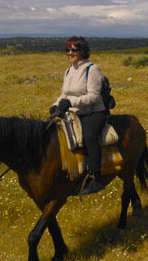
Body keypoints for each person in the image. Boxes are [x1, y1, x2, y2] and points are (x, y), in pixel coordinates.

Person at [50, 36, 107, 195]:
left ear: (82, 51)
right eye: (67, 49)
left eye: (73, 50)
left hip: (94, 112)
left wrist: (71, 102)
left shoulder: (92, 69)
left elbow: (94, 96)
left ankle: (95, 177)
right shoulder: (69, 70)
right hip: (75, 111)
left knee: (89, 137)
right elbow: (64, 94)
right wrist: (55, 105)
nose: (70, 53)